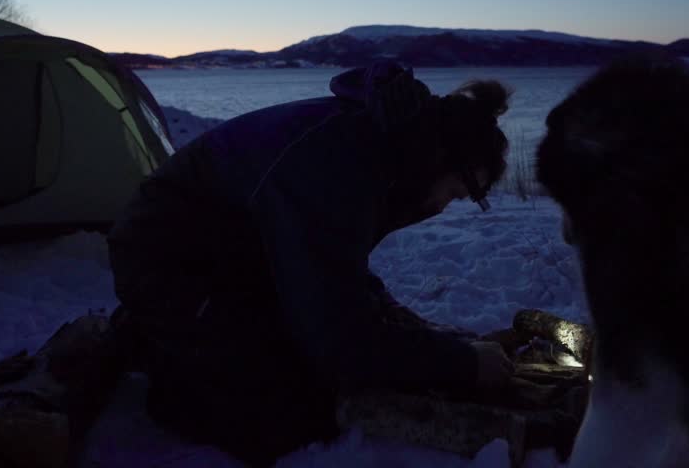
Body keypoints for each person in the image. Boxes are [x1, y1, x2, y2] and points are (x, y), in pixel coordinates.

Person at [107, 62, 514, 465]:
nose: (444, 206)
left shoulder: (386, 148)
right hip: (165, 261)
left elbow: (329, 264)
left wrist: (395, 318)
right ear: (442, 156)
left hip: (237, 258)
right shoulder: (342, 161)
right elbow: (340, 340)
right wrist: (463, 363)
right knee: (290, 416)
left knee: (312, 351)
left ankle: (182, 335)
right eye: (458, 191)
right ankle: (163, 351)